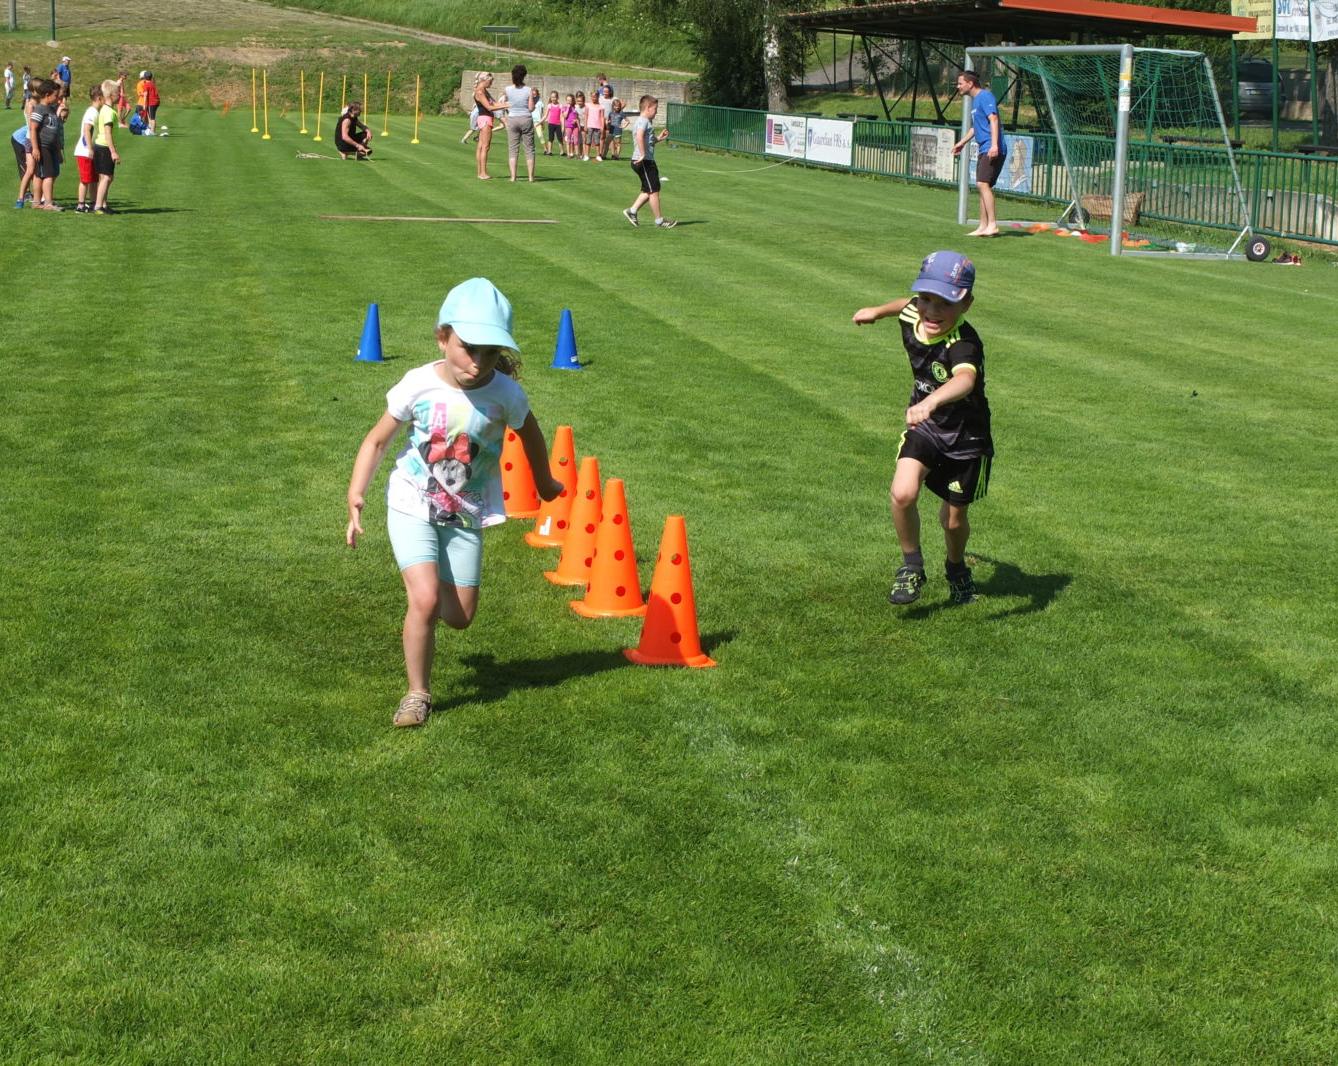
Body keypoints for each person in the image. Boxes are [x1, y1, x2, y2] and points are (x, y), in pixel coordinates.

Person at [345, 278, 564, 729]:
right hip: (412, 502)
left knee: (460, 616)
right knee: (424, 601)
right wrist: (356, 494)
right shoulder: (418, 384)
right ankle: (417, 695)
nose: (478, 362)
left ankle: (434, 589)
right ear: (442, 337)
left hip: (466, 513)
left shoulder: (505, 393)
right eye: (468, 348)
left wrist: (544, 483)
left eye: (489, 352)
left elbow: (532, 435)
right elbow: (377, 440)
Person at [851, 251, 994, 605]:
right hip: (927, 428)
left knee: (953, 520)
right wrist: (877, 311)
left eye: (945, 302)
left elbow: (963, 381)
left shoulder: (964, 343)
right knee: (902, 493)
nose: (932, 310)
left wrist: (929, 402)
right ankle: (912, 565)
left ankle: (957, 568)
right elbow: (905, 304)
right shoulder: (916, 310)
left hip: (966, 438)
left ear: (966, 305)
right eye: (927, 298)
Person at [951, 71, 1006, 238]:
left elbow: (993, 120)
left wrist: (995, 145)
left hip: (991, 147)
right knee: (983, 186)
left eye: (960, 83)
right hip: (984, 147)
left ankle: (992, 224)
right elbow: (976, 128)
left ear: (970, 84)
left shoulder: (986, 96)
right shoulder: (975, 102)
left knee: (982, 184)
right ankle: (983, 226)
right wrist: (962, 143)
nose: (958, 86)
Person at [622, 95, 675, 229]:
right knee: (654, 190)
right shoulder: (643, 121)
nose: (656, 112)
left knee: (649, 189)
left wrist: (659, 138)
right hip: (644, 161)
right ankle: (659, 221)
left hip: (645, 160)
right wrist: (643, 153)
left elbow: (647, 140)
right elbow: (639, 136)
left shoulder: (645, 122)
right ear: (647, 108)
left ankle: (632, 211)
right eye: (655, 109)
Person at [28, 80, 63, 210]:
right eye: (55, 95)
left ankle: (37, 203)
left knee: (41, 175)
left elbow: (55, 132)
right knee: (48, 175)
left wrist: (58, 150)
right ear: (48, 95)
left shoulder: (51, 109)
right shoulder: (40, 109)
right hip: (43, 147)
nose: (57, 98)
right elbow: (33, 129)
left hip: (52, 147)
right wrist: (36, 148)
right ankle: (48, 203)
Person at [502, 64, 536, 183]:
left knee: (513, 149)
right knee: (529, 149)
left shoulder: (507, 89)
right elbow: (531, 108)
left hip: (513, 118)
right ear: (524, 76)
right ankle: (531, 177)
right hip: (526, 118)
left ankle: (513, 177)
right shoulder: (528, 90)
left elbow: (503, 103)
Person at [91, 78, 121, 214]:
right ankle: (98, 206)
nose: (120, 95)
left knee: (106, 177)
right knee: (106, 177)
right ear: (111, 95)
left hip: (101, 146)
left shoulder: (105, 109)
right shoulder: (108, 112)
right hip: (104, 147)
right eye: (118, 92)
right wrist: (113, 151)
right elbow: (107, 133)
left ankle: (103, 204)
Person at [74, 83, 103, 212]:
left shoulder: (95, 111)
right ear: (98, 98)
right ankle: (80, 204)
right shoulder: (92, 112)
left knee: (93, 179)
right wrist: (90, 148)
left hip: (90, 151)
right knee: (85, 179)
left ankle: (92, 203)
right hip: (85, 151)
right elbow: (87, 130)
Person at [472, 72, 499, 179]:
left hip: (484, 118)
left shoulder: (484, 91)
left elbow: (495, 104)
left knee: (481, 146)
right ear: (484, 80)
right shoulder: (480, 92)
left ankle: (480, 172)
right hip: (485, 119)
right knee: (485, 147)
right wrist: (508, 104)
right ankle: (483, 173)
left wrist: (509, 104)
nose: (491, 83)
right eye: (490, 81)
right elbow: (489, 107)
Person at [584, 86, 604, 161]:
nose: (594, 98)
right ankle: (586, 155)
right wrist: (585, 125)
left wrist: (602, 126)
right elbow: (586, 115)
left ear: (598, 97)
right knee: (588, 141)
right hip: (589, 126)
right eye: (592, 97)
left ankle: (598, 155)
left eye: (595, 97)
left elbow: (602, 117)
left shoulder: (601, 106)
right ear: (590, 97)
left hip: (597, 126)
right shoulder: (588, 105)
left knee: (597, 141)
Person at [561, 93, 580, 159]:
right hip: (568, 126)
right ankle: (568, 154)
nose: (569, 101)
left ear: (572, 101)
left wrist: (576, 121)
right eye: (568, 100)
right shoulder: (564, 107)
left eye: (570, 100)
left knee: (576, 140)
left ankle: (577, 154)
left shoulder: (575, 107)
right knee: (568, 140)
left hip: (575, 126)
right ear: (566, 100)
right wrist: (568, 108)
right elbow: (565, 116)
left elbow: (577, 117)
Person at [141, 71, 160, 135]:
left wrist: (144, 104)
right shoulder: (152, 83)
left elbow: (145, 95)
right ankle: (150, 130)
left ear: (144, 77)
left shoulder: (146, 85)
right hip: (156, 101)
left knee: (152, 118)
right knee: (150, 116)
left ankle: (153, 132)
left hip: (152, 103)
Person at [543, 90, 560, 156]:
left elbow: (561, 115)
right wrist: (541, 121)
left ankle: (562, 152)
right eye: (552, 97)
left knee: (560, 138)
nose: (553, 98)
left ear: (557, 97)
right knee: (551, 138)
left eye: (554, 97)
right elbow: (546, 115)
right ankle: (549, 151)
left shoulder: (560, 106)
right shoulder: (549, 105)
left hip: (558, 124)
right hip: (551, 124)